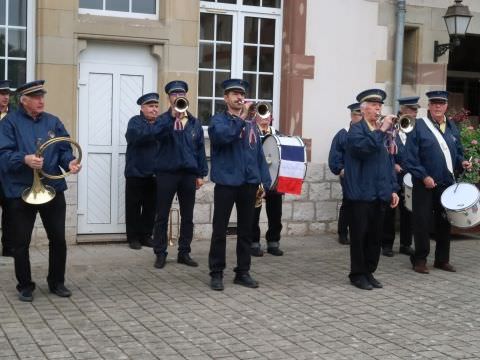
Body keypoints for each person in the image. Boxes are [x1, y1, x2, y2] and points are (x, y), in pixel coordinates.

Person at [0, 80, 82, 302]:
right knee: (20, 242)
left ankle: (57, 282)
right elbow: (3, 155)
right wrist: (24, 159)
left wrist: (71, 162)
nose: (41, 100)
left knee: (58, 239)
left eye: (42, 96)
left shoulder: (52, 121)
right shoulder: (9, 123)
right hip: (20, 190)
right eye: (36, 97)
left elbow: (64, 148)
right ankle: (25, 285)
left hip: (51, 187)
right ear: (24, 100)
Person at [208, 79, 271, 291]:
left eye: (241, 93)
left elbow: (258, 153)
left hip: (249, 183)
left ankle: (242, 272)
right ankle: (216, 272)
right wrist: (242, 117)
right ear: (226, 98)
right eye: (234, 94)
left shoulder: (252, 123)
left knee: (246, 230)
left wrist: (265, 181)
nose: (239, 97)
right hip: (227, 182)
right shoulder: (218, 120)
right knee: (219, 230)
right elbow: (223, 138)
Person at [405, 91, 472, 274]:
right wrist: (423, 176)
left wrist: (462, 162)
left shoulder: (451, 127)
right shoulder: (418, 126)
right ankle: (419, 260)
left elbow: (457, 152)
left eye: (441, 104)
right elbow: (409, 157)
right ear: (429, 106)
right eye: (434, 103)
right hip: (424, 182)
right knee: (422, 222)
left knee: (444, 222)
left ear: (446, 107)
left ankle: (442, 260)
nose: (437, 107)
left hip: (446, 184)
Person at [344, 89, 399, 290]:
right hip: (361, 194)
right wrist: (381, 129)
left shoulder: (381, 133)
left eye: (379, 105)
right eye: (374, 105)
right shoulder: (357, 130)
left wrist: (393, 188)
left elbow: (387, 163)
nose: (378, 109)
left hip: (379, 193)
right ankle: (357, 274)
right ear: (363, 108)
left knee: (375, 237)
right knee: (360, 236)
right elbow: (364, 150)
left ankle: (369, 271)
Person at [152, 80, 208, 269]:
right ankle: (160, 253)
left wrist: (201, 173)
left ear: (185, 96)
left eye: (181, 94)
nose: (178, 97)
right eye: (174, 95)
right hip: (166, 173)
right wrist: (172, 118)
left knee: (188, 216)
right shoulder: (162, 119)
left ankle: (184, 252)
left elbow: (200, 150)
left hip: (188, 175)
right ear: (169, 98)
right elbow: (156, 135)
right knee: (161, 215)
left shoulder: (193, 122)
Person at [381, 96, 418, 257]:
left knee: (408, 210)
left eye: (416, 110)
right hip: (394, 174)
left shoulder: (416, 127)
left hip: (410, 174)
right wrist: (393, 163)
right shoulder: (391, 125)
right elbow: (383, 147)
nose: (414, 113)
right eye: (411, 109)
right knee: (390, 210)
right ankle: (387, 244)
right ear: (402, 110)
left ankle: (405, 244)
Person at [124, 93, 160, 250]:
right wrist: (157, 129)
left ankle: (146, 236)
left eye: (156, 106)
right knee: (133, 207)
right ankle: (133, 238)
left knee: (150, 207)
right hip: (135, 172)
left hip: (154, 173)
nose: (154, 109)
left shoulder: (160, 123)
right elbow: (136, 137)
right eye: (151, 106)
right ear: (142, 108)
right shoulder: (135, 122)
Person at [250, 110, 284, 257]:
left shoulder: (278, 134)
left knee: (275, 213)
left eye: (267, 116)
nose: (264, 119)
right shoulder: (251, 132)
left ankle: (273, 242)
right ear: (255, 117)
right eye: (261, 116)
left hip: (274, 179)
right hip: (257, 178)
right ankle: (253, 243)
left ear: (271, 118)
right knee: (253, 213)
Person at [328, 102, 363, 245]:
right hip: (349, 175)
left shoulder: (367, 133)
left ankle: (359, 232)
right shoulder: (343, 134)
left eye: (362, 114)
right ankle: (343, 233)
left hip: (364, 174)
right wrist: (340, 169)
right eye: (357, 114)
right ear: (351, 115)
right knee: (348, 203)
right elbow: (334, 156)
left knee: (362, 205)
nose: (360, 118)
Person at [0, 79, 12, 257]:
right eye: (2, 94)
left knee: (11, 211)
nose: (5, 98)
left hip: (8, 173)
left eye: (7, 94)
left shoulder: (14, 117)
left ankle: (9, 247)